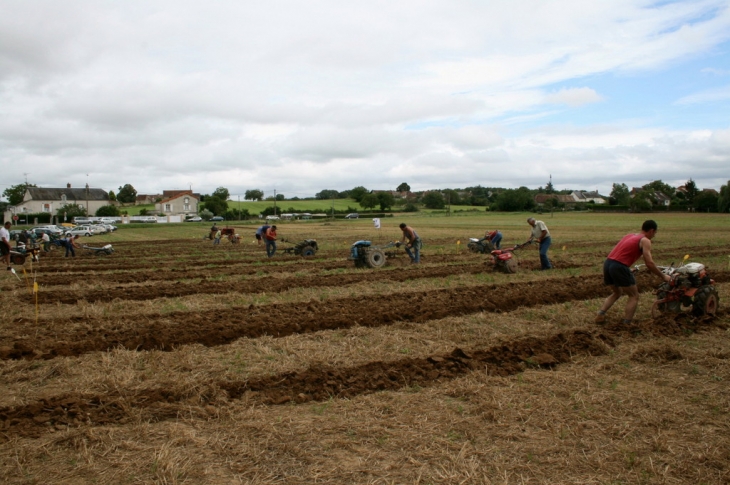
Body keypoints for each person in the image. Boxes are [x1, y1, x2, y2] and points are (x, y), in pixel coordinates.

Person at [595, 220, 671, 325]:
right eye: (655, 233)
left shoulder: (629, 236)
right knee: (634, 295)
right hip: (619, 266)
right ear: (652, 231)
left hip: (608, 264)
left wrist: (626, 268)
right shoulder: (645, 240)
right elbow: (649, 263)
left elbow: (621, 254)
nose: (654, 236)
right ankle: (627, 323)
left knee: (617, 292)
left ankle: (601, 314)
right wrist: (663, 276)